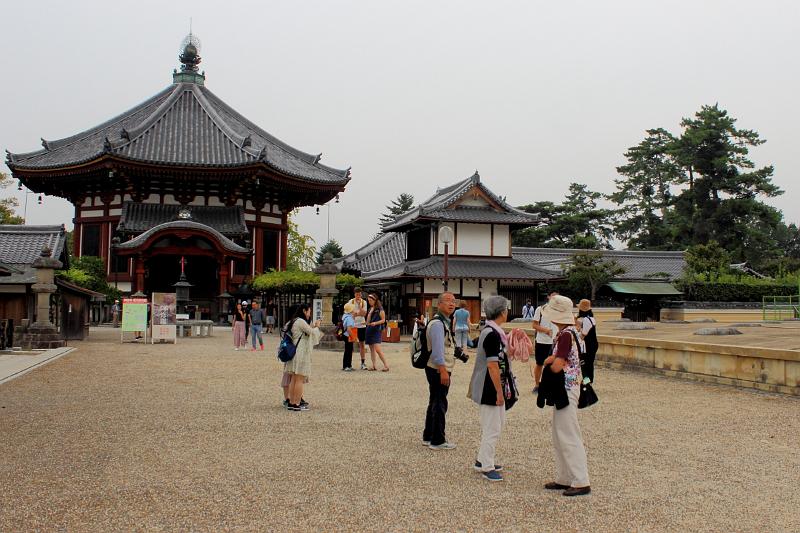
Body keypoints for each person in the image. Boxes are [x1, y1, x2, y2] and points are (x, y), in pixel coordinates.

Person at [541, 294, 591, 496]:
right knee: (561, 433)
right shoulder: (573, 333)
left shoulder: (564, 335)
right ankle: (564, 477)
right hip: (571, 385)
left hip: (565, 387)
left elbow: (559, 363)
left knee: (568, 434)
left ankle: (580, 480)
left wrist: (547, 364)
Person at [469, 295, 511, 482]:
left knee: (495, 424)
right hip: (490, 386)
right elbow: (493, 366)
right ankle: (486, 465)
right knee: (493, 427)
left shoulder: (492, 331)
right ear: (502, 312)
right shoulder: (493, 335)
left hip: (490, 384)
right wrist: (500, 393)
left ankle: (482, 459)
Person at [423, 292, 457, 450]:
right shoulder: (438, 324)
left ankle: (428, 435)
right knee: (440, 402)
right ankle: (437, 439)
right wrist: (443, 371)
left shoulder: (444, 322)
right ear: (440, 304)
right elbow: (437, 351)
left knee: (434, 401)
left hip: (435, 368)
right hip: (438, 369)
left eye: (454, 301)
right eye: (448, 301)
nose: (452, 304)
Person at [283, 303, 322, 411]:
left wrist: (313, 326)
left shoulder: (294, 321)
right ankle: (296, 403)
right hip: (301, 352)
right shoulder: (300, 321)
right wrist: (317, 326)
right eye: (309, 311)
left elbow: (306, 330)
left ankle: (291, 402)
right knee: (299, 379)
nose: (309, 313)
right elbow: (311, 332)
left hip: (294, 351)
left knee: (294, 379)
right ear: (304, 311)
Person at [531, 291, 558, 393]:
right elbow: (534, 325)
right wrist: (545, 330)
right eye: (553, 296)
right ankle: (537, 384)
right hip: (542, 341)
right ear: (548, 297)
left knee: (553, 364)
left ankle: (550, 384)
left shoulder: (559, 311)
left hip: (555, 342)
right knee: (539, 363)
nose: (555, 299)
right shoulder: (540, 309)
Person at [365, 293, 389, 371]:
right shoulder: (370, 309)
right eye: (368, 300)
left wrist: (375, 323)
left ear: (375, 300)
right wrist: (369, 314)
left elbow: (383, 320)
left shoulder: (380, 309)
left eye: (371, 300)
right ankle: (374, 365)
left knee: (377, 349)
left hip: (376, 330)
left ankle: (386, 365)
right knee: (371, 349)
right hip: (369, 329)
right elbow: (367, 321)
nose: (369, 302)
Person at [346, 288, 369, 370]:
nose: (358, 296)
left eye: (359, 294)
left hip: (362, 325)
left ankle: (363, 363)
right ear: (354, 294)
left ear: (361, 294)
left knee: (362, 344)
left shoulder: (364, 302)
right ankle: (349, 363)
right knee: (351, 345)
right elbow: (348, 313)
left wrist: (358, 308)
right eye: (356, 294)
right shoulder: (350, 302)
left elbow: (364, 314)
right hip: (353, 325)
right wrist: (358, 314)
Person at [577, 299, 598, 384]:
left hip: (587, 345)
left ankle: (586, 381)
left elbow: (583, 335)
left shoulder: (586, 320)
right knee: (589, 364)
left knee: (585, 364)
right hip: (592, 344)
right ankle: (588, 381)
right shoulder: (591, 319)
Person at [341, 302, 356, 371]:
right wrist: (353, 337)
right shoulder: (349, 318)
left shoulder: (345, 316)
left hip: (346, 335)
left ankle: (348, 365)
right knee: (348, 350)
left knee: (349, 350)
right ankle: (346, 366)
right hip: (348, 335)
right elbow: (349, 329)